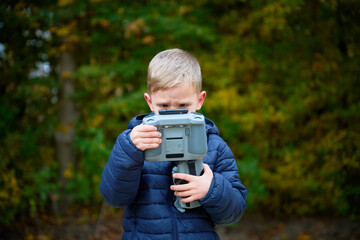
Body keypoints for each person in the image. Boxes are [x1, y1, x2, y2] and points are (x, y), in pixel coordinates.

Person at [99, 48, 247, 240]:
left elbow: (234, 213)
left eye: (183, 106)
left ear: (199, 100)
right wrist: (129, 150)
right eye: (164, 106)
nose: (173, 114)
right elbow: (114, 198)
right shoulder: (135, 143)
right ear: (150, 102)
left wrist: (211, 189)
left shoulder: (215, 146)